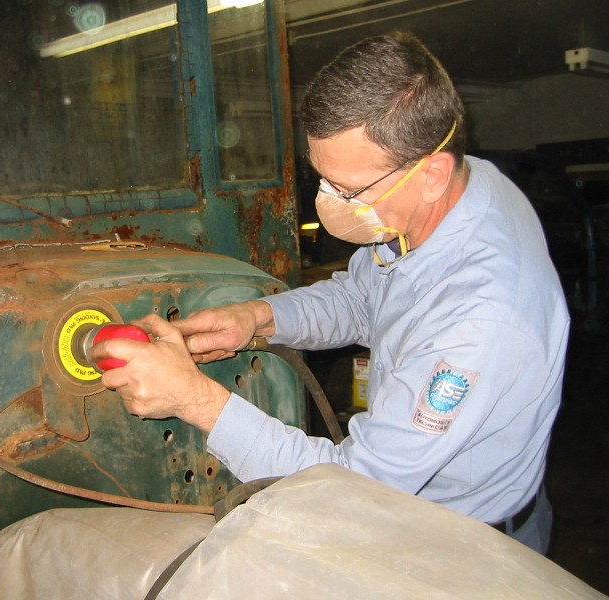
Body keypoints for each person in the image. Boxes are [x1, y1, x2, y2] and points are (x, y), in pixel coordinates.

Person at [92, 32, 569, 555]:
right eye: (322, 180)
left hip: (460, 550)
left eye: (349, 190)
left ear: (433, 175)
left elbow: (354, 489)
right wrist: (259, 317)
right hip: (416, 514)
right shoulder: (458, 187)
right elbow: (362, 299)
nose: (329, 204)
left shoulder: (481, 320)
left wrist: (194, 399)